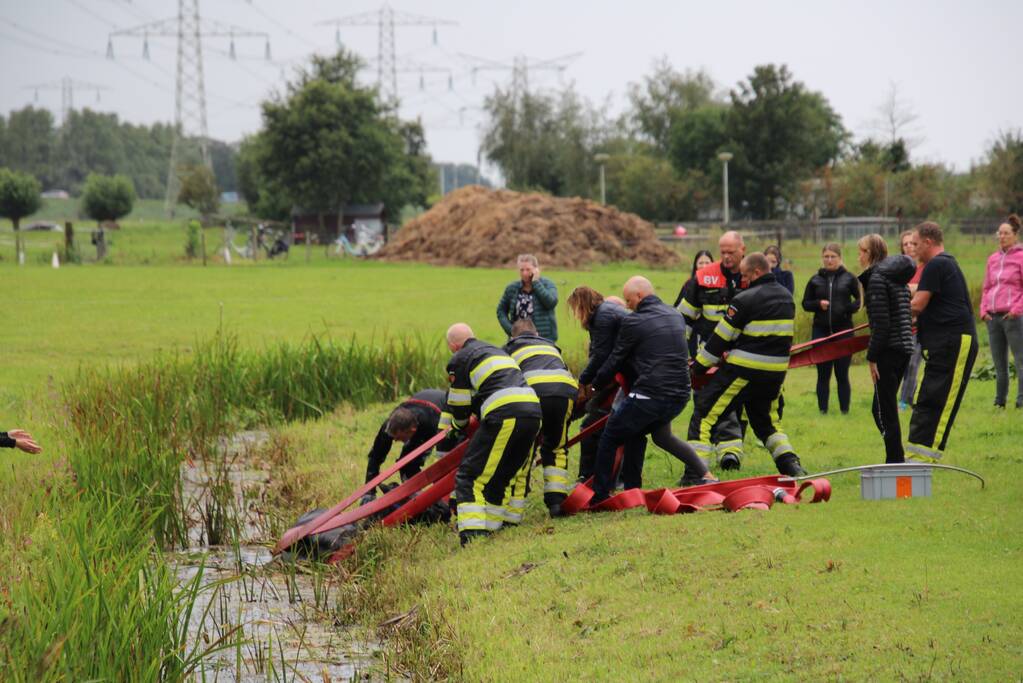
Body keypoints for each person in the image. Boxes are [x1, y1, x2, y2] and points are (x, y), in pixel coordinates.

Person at [584, 277, 714, 505]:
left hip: (651, 394)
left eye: (628, 300)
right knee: (652, 435)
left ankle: (600, 495)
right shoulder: (674, 314)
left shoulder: (634, 322)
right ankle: (637, 488)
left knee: (610, 436)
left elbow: (615, 359)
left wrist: (594, 385)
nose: (627, 306)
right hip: (680, 394)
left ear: (639, 296)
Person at [687, 253, 806, 477]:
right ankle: (792, 466)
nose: (741, 280)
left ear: (757, 272)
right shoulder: (786, 297)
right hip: (776, 374)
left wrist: (697, 367)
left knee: (703, 414)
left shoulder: (745, 299)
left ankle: (695, 475)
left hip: (744, 371)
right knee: (767, 423)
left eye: (744, 275)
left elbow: (720, 340)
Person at [441, 323, 542, 544]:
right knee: (500, 476)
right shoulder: (496, 351)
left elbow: (459, 404)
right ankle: (492, 528)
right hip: (533, 411)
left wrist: (458, 426)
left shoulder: (459, 358)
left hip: (504, 413)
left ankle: (472, 535)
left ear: (453, 346)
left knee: (469, 475)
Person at [907, 223, 978, 461]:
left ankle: (926, 457)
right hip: (943, 343)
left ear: (928, 242)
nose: (912, 249)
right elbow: (920, 298)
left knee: (940, 399)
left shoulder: (937, 264)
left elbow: (917, 305)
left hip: (955, 342)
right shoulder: (940, 265)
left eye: (916, 243)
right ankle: (916, 456)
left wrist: (890, 313)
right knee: (927, 396)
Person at [676, 231, 747, 469]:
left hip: (742, 356)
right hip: (707, 355)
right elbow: (683, 319)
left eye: (731, 252)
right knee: (705, 403)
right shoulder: (703, 278)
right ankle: (722, 456)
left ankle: (729, 453)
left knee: (732, 404)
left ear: (742, 250)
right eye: (722, 252)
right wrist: (680, 354)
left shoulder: (751, 276)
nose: (726, 257)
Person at [567, 286, 643, 483]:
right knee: (615, 426)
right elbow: (599, 353)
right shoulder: (603, 315)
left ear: (582, 305)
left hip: (634, 377)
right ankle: (606, 477)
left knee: (596, 426)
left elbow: (601, 355)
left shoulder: (603, 316)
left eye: (575, 309)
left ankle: (595, 478)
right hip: (632, 376)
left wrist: (584, 382)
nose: (576, 315)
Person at [503, 319, 578, 517]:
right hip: (564, 393)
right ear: (537, 334)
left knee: (524, 451)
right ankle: (556, 503)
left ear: (513, 337)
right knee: (556, 447)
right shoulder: (551, 347)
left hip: (533, 394)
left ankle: (514, 511)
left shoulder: (508, 350)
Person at [858, 234, 915, 463]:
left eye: (862, 251)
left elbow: (881, 325)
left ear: (871, 253)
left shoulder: (876, 279)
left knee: (884, 410)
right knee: (882, 407)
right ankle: (895, 455)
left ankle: (895, 459)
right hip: (903, 348)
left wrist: (872, 357)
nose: (859, 256)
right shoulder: (895, 277)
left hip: (888, 350)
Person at [802, 243, 862, 414]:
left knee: (842, 373)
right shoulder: (815, 280)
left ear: (839, 258)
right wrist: (817, 304)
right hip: (821, 331)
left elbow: (861, 300)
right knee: (823, 374)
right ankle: (823, 411)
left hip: (843, 331)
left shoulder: (849, 278)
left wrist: (847, 308)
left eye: (833, 257)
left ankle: (845, 411)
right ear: (822, 258)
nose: (829, 260)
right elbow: (805, 303)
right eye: (826, 257)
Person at [980, 214, 1023, 408]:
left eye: (1006, 233)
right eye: (1000, 233)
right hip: (993, 317)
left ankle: (1021, 400)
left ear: (1015, 235)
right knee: (999, 363)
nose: (1002, 236)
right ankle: (1000, 401)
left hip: (1013, 317)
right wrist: (983, 311)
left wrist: (1016, 310)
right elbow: (987, 287)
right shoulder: (993, 259)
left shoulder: (1021, 257)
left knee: (1020, 360)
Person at [363, 389, 446, 487]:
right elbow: (376, 455)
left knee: (410, 464)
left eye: (399, 438)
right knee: (405, 465)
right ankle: (413, 492)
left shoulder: (431, 425)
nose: (395, 440)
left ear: (412, 430)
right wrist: (369, 490)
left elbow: (445, 455)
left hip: (443, 410)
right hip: (419, 405)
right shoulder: (390, 425)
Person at [496, 254, 559, 342]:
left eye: (528, 269)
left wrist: (536, 283)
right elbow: (501, 311)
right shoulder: (512, 288)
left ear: (536, 269)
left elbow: (551, 303)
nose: (524, 273)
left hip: (544, 338)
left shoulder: (548, 284)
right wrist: (511, 330)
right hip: (518, 339)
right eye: (521, 270)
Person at [898, 230, 925, 410]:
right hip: (901, 324)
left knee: (913, 364)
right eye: (905, 244)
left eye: (912, 243)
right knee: (903, 364)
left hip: (920, 324)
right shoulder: (899, 270)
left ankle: (904, 402)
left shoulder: (926, 268)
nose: (909, 247)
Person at [674, 249, 713, 357]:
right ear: (695, 265)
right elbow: (678, 308)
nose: (704, 266)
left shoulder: (720, 285)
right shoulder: (689, 284)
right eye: (701, 263)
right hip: (694, 332)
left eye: (707, 263)